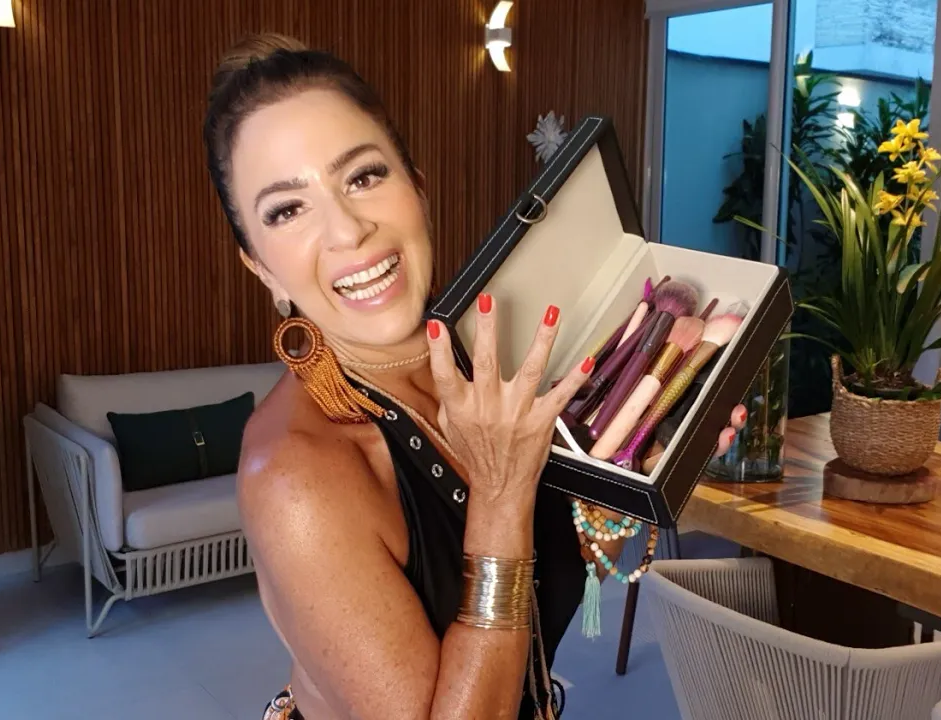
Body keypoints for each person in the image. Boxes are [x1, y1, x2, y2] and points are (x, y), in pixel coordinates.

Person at [203, 33, 747, 720]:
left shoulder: (487, 359)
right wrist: (500, 497)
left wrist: (637, 459)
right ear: (261, 267)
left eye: (364, 176)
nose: (347, 231)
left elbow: (565, 558)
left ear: (417, 187)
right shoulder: (293, 475)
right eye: (287, 209)